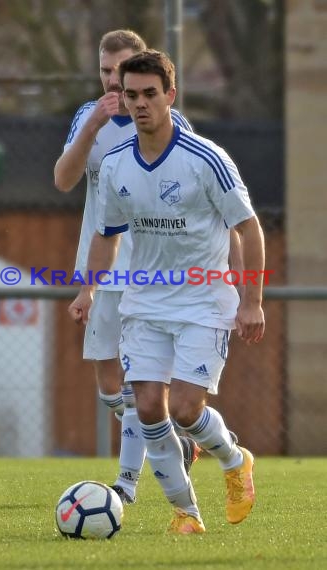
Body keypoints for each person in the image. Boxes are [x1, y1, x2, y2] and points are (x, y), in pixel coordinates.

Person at [70, 49, 265, 535]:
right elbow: (106, 233)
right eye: (130, 94)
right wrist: (88, 290)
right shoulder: (116, 164)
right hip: (144, 301)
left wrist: (252, 301)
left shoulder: (206, 159)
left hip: (205, 299)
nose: (139, 103)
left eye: (149, 94)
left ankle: (235, 459)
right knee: (149, 407)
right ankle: (186, 514)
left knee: (185, 408)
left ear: (169, 96)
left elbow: (249, 227)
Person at [54, 30, 199, 505]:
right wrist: (92, 127)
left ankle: (127, 486)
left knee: (140, 383)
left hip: (151, 273)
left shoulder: (172, 122)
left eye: (122, 71)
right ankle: (165, 438)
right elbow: (63, 180)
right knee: (110, 387)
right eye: (105, 71)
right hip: (99, 268)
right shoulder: (88, 116)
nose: (113, 82)